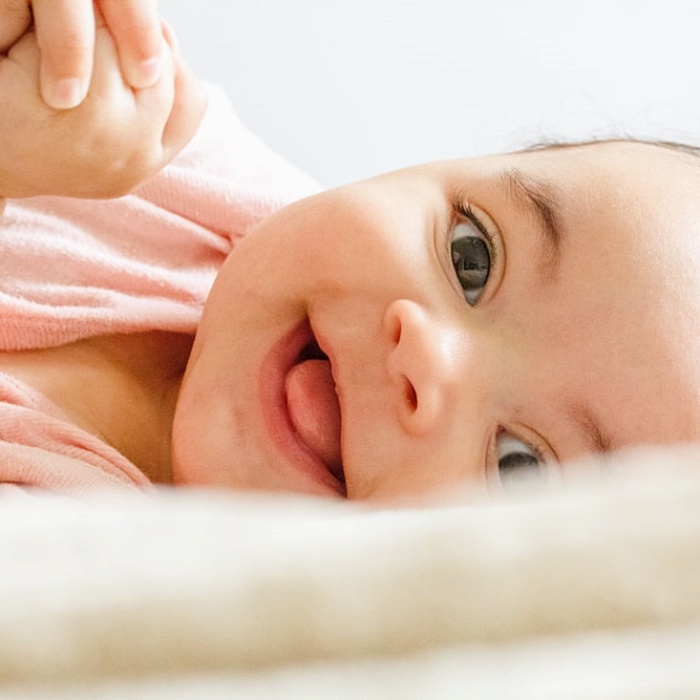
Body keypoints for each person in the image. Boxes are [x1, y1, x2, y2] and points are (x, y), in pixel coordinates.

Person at [2, 3, 700, 503]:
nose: (426, 356)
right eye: (471, 257)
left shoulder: (91, 553)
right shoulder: (174, 159)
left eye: (519, 465)